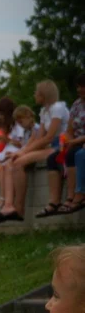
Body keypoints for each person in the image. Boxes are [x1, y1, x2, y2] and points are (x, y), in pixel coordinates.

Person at [0, 79, 69, 222]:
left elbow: (48, 137)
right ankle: (13, 207)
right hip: (50, 145)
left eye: (37, 92)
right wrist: (20, 152)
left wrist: (22, 152)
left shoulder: (58, 108)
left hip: (61, 145)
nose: (34, 94)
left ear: (44, 95)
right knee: (15, 161)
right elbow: (37, 138)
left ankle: (18, 208)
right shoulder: (44, 111)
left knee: (18, 161)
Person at [0, 106, 38, 221]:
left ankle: (7, 203)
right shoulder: (28, 130)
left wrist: (18, 153)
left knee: (10, 164)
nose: (20, 124)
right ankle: (7, 204)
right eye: (18, 122)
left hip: (34, 154)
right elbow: (26, 146)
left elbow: (31, 146)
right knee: (5, 165)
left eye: (21, 120)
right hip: (26, 154)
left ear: (30, 116)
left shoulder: (36, 129)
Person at [60, 74, 85, 214]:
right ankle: (70, 195)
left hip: (81, 141)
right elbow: (70, 129)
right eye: (78, 86)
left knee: (80, 154)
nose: (80, 89)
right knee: (64, 155)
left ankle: (80, 193)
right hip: (76, 140)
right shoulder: (76, 104)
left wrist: (74, 141)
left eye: (83, 86)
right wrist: (68, 140)